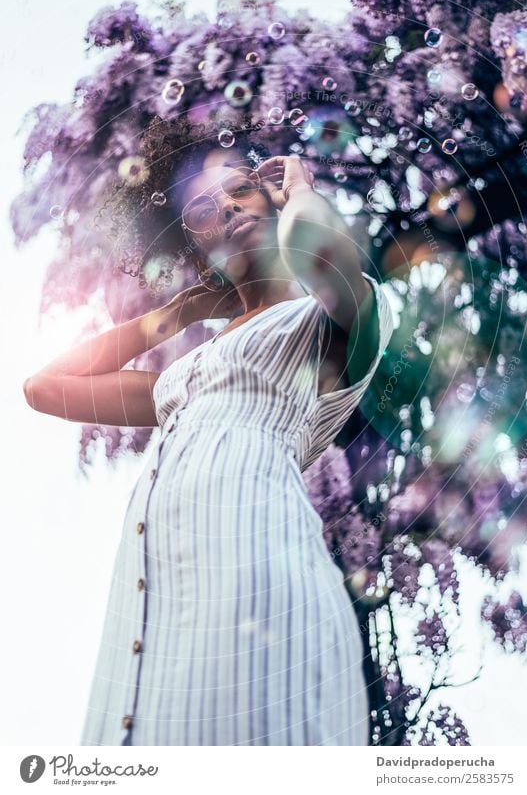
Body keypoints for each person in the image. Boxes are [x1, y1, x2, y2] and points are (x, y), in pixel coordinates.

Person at [23, 138, 394, 746]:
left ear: (274, 204)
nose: (225, 208)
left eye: (242, 188)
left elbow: (319, 249)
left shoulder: (334, 317)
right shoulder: (182, 379)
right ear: (198, 244)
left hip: (258, 588)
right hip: (154, 615)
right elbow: (45, 386)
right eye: (201, 210)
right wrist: (177, 312)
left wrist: (297, 184)